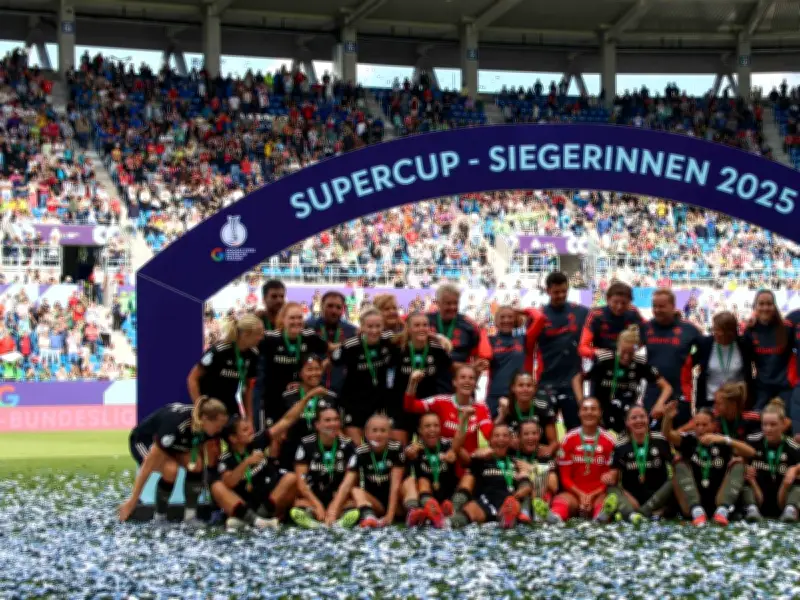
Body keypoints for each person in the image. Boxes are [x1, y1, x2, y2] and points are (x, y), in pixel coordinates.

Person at [210, 389, 317, 531]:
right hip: (244, 503)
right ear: (233, 438)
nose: (251, 431)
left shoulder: (258, 441)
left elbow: (286, 420)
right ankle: (256, 521)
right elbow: (229, 482)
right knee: (217, 486)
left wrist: (306, 398)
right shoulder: (226, 458)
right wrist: (247, 462)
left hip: (267, 500)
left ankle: (256, 520)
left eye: (249, 427)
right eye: (245, 430)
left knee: (291, 478)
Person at [120, 397, 229, 522]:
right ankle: (159, 517)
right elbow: (147, 466)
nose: (219, 430)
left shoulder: (205, 426)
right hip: (145, 440)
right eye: (218, 426)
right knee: (170, 470)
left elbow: (199, 452)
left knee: (197, 465)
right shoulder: (175, 426)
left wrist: (203, 483)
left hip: (175, 443)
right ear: (205, 419)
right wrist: (132, 501)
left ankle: (190, 516)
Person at [663, 402, 754, 527]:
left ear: (714, 425)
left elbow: (751, 452)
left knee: (739, 464)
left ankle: (722, 512)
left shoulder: (722, 441)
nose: (700, 428)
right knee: (678, 464)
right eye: (697, 425)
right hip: (693, 500)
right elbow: (668, 434)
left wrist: (726, 440)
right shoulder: (689, 440)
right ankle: (697, 512)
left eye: (704, 425)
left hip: (718, 498)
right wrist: (668, 418)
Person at [573, 326, 672, 433]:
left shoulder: (640, 363)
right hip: (600, 413)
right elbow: (577, 379)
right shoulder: (605, 359)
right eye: (623, 352)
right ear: (618, 346)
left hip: (626, 415)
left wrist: (659, 404)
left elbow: (667, 387)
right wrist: (582, 403)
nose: (626, 357)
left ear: (636, 350)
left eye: (631, 353)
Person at [524, 271, 588, 431]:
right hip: (545, 381)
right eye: (556, 292)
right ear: (547, 291)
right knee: (543, 432)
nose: (561, 295)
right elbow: (527, 348)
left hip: (573, 382)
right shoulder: (538, 316)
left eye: (564, 291)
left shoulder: (582, 312)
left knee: (575, 429)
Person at [600, 406, 675, 524]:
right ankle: (638, 513)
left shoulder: (660, 440)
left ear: (648, 419)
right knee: (611, 488)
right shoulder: (621, 445)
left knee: (676, 480)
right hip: (632, 498)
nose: (638, 420)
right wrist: (607, 477)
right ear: (627, 422)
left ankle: (633, 513)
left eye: (642, 417)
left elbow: (674, 464)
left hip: (658, 498)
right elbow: (613, 477)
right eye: (634, 418)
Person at [290, 404, 361, 529]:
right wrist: (317, 505)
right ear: (317, 425)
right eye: (327, 420)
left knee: (352, 506)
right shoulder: (306, 444)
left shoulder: (349, 446)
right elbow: (302, 483)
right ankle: (313, 519)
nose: (333, 424)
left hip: (339, 496)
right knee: (299, 505)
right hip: (314, 496)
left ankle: (339, 519)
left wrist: (334, 508)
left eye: (336, 419)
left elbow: (348, 483)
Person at [259, 302, 329, 428]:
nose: (296, 321)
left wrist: (318, 369)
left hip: (299, 397)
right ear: (283, 319)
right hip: (274, 398)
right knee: (274, 435)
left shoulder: (309, 336)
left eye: (299, 317)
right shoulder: (270, 339)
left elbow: (331, 349)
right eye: (292, 318)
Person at [333, 307, 397, 443]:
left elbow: (408, 336)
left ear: (383, 326)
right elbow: (332, 360)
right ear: (361, 327)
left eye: (378, 326)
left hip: (379, 401)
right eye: (370, 326)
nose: (374, 330)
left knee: (380, 444)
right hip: (354, 402)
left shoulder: (389, 340)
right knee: (356, 447)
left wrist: (438, 337)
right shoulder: (350, 346)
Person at [404, 365, 494, 461]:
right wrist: (412, 382)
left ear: (475, 383)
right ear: (454, 382)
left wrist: (486, 450)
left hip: (467, 462)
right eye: (463, 377)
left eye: (471, 378)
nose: (467, 381)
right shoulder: (441, 402)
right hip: (444, 461)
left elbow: (490, 435)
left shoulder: (481, 407)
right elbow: (410, 406)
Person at [390, 312, 453, 445]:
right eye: (417, 325)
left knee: (427, 451)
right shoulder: (398, 349)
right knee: (400, 450)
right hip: (401, 407)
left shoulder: (437, 350)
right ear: (408, 328)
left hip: (426, 406)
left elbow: (447, 377)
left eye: (425, 325)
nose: (422, 328)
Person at [550, 397, 616, 523]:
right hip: (574, 494)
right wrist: (581, 495)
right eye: (585, 409)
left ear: (600, 413)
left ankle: (600, 519)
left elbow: (610, 478)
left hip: (599, 494)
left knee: (605, 502)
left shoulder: (609, 441)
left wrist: (592, 495)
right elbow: (565, 478)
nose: (589, 412)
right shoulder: (568, 439)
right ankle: (555, 517)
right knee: (561, 500)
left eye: (593, 409)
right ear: (579, 413)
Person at [642, 289, 702, 426]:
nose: (657, 310)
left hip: (680, 393)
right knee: (652, 435)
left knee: (678, 435)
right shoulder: (646, 327)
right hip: (653, 392)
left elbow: (705, 349)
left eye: (662, 306)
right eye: (654, 306)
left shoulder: (689, 329)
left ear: (673, 306)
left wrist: (691, 362)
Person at [449, 424, 527, 529]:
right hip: (484, 502)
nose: (501, 439)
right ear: (489, 440)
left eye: (505, 435)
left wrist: (520, 492)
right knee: (470, 509)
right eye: (496, 436)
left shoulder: (517, 463)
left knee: (513, 506)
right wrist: (475, 455)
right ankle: (448, 519)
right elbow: (457, 448)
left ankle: (508, 521)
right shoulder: (481, 459)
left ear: (510, 440)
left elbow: (525, 483)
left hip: (509, 502)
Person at [403, 409, 471, 528]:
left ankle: (453, 509)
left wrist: (457, 452)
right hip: (426, 495)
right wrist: (408, 454)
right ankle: (431, 510)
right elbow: (406, 454)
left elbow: (468, 461)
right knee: (422, 481)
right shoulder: (415, 448)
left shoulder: (448, 444)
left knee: (469, 477)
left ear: (440, 428)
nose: (432, 430)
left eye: (436, 426)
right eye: (427, 426)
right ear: (419, 430)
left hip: (449, 498)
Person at [188, 315, 262, 422]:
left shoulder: (253, 355)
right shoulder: (219, 351)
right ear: (246, 334)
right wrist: (199, 407)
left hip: (230, 406)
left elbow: (248, 389)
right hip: (210, 406)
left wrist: (249, 418)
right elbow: (192, 378)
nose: (261, 338)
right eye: (258, 334)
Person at [343, 414, 406, 528]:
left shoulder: (396, 449)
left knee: (410, 481)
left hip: (396, 504)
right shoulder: (360, 452)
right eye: (374, 430)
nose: (378, 434)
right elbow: (346, 483)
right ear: (366, 434)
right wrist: (332, 512)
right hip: (375, 503)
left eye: (383, 430)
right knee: (355, 490)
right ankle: (369, 517)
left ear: (390, 433)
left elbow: (395, 485)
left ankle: (414, 510)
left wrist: (390, 515)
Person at [743, 399, 800, 522]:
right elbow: (735, 457)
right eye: (764, 424)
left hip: (783, 497)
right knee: (744, 480)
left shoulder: (792, 446)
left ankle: (791, 509)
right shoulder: (752, 441)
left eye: (773, 424)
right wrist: (745, 467)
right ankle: (750, 508)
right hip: (758, 495)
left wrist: (795, 469)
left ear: (783, 424)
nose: (768, 429)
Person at [427, 283, 492, 392]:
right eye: (448, 303)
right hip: (429, 386)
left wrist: (472, 384)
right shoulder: (425, 321)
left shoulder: (470, 325)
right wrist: (433, 336)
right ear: (438, 303)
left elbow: (479, 360)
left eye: (455, 303)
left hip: (458, 389)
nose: (452, 307)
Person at [278, 355, 337, 469]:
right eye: (309, 369)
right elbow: (280, 429)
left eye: (317, 369)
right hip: (292, 451)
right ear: (300, 373)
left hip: (320, 456)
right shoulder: (288, 397)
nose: (314, 373)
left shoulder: (331, 397)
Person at [741, 289, 796, 410]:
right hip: (762, 389)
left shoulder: (787, 328)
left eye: (769, 304)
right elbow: (747, 366)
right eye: (761, 304)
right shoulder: (750, 331)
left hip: (785, 388)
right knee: (757, 419)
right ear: (755, 306)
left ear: (774, 306)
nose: (765, 308)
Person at [692, 311, 752, 412]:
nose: (718, 334)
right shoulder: (705, 344)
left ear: (732, 331)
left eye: (723, 330)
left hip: (736, 402)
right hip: (710, 402)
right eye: (715, 329)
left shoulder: (743, 344)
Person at [495, 371, 558, 457]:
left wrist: (549, 450)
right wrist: (508, 440)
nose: (525, 389)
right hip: (513, 456)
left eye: (529, 385)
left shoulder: (543, 406)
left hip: (538, 455)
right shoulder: (507, 407)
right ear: (513, 388)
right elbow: (494, 440)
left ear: (534, 388)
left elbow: (554, 442)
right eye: (521, 385)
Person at [305, 291, 357, 393]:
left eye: (338, 307)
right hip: (313, 387)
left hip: (342, 389)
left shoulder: (352, 331)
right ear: (322, 306)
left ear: (343, 309)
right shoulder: (308, 327)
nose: (334, 310)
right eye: (330, 306)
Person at [578, 282, 645, 359]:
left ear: (630, 302)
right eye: (615, 302)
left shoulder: (633, 312)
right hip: (603, 359)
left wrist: (634, 348)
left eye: (624, 303)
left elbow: (648, 333)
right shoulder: (596, 314)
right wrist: (596, 352)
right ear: (607, 299)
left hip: (626, 359)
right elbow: (582, 347)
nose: (619, 307)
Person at [513, 420, 559, 523]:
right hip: (519, 495)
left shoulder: (545, 455)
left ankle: (539, 514)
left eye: (534, 433)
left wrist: (531, 469)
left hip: (541, 496)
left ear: (539, 435)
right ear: (518, 437)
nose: (531, 437)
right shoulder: (512, 455)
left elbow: (554, 485)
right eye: (526, 434)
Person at [486, 306, 527, 417]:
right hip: (495, 394)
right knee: (495, 427)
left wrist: (521, 311)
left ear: (515, 320)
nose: (506, 320)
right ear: (496, 321)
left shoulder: (523, 339)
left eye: (510, 317)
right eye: (502, 317)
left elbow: (538, 318)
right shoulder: (490, 340)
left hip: (518, 394)